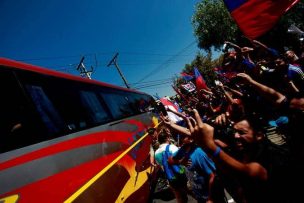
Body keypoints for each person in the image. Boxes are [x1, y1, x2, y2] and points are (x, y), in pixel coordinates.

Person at [188, 109, 290, 203]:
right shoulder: (241, 152)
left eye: (242, 132)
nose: (236, 135)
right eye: (234, 132)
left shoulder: (269, 156)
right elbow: (225, 165)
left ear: (258, 135)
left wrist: (208, 145)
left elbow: (244, 171)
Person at [154, 131, 188, 203]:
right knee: (184, 191)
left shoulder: (156, 153)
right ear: (167, 138)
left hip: (170, 176)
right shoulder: (172, 147)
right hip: (180, 172)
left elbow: (161, 165)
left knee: (178, 195)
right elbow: (181, 159)